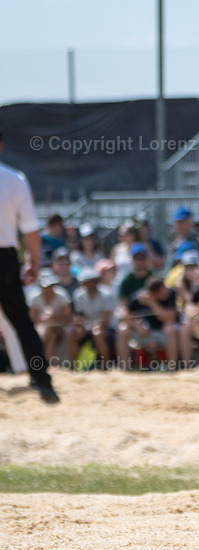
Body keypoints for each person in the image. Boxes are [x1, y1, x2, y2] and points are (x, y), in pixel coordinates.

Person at [0, 131, 59, 402]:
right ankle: (41, 379)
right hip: (5, 257)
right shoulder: (14, 179)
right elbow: (31, 229)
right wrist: (34, 262)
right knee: (22, 321)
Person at [69, 267, 114, 365]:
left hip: (105, 328)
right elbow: (80, 315)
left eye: (93, 281)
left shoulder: (106, 294)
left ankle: (106, 365)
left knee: (97, 333)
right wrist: (80, 328)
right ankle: (73, 367)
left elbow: (106, 320)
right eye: (87, 282)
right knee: (73, 336)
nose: (91, 284)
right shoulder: (78, 295)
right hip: (87, 327)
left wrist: (95, 326)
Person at [27, 269, 72, 365]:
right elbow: (32, 319)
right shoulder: (34, 296)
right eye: (46, 286)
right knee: (51, 335)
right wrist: (44, 318)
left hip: (61, 328)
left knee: (50, 330)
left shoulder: (61, 295)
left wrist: (55, 316)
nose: (49, 288)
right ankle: (49, 364)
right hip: (44, 329)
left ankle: (43, 361)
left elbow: (68, 318)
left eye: (51, 285)